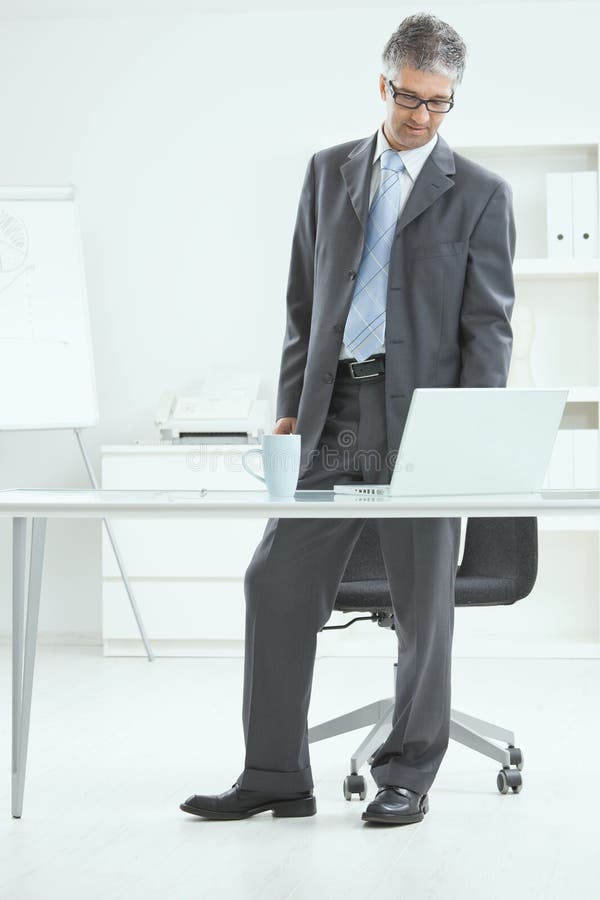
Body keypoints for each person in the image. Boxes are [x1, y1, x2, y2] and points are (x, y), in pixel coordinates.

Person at [180, 12, 516, 826]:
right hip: (333, 412)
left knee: (423, 602)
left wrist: (468, 435)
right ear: (383, 83)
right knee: (275, 579)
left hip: (423, 421)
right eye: (410, 97)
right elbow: (304, 305)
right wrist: (290, 410)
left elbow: (489, 328)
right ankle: (274, 774)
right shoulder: (329, 171)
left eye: (439, 102)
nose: (422, 116)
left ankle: (408, 772)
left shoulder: (480, 194)